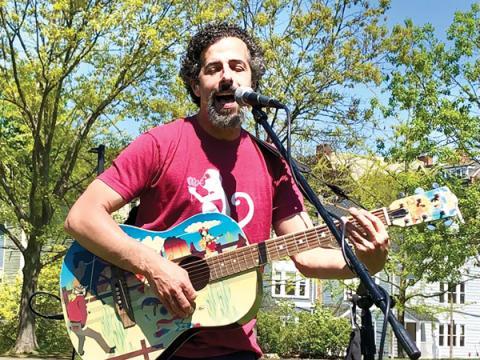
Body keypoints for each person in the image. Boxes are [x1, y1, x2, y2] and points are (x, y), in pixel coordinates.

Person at [64, 22, 389, 360]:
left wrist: (365, 262)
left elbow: (306, 255)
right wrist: (154, 267)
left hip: (237, 350)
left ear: (251, 83)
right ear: (196, 84)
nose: (227, 77)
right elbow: (82, 217)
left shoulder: (273, 163)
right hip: (152, 341)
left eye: (238, 67)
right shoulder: (160, 144)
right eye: (213, 68)